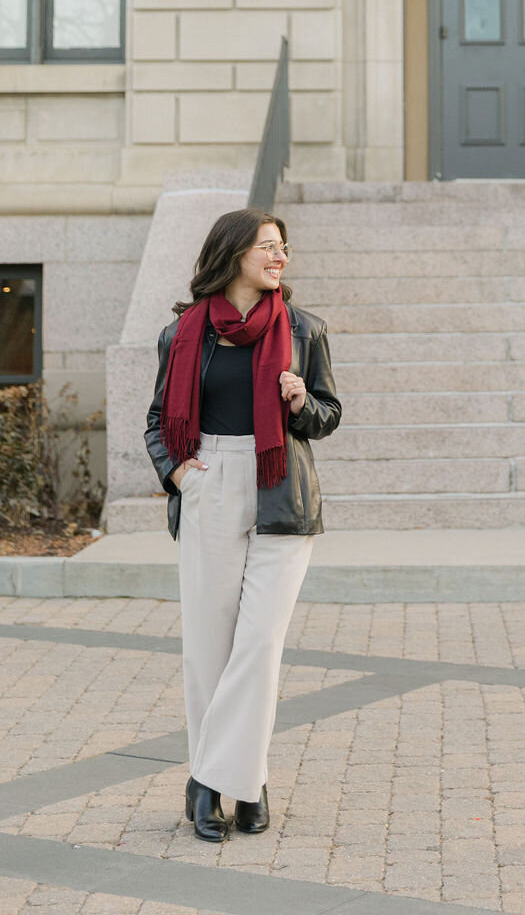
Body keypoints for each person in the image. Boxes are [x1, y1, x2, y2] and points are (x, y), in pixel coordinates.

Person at [144, 208, 342, 842]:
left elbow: (328, 413)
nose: (279, 257)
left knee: (258, 646)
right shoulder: (183, 334)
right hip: (210, 478)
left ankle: (211, 781)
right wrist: (177, 474)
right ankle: (247, 783)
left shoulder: (305, 330)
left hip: (280, 488)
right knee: (209, 649)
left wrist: (299, 402)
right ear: (232, 254)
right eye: (266, 247)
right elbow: (156, 418)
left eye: (283, 247)